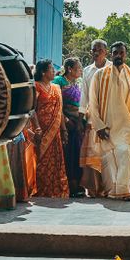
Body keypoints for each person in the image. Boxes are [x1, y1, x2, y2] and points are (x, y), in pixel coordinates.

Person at [85, 42, 130, 200]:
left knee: (124, 155)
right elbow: (92, 103)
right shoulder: (100, 75)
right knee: (109, 160)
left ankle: (123, 190)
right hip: (106, 126)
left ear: (125, 55)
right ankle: (112, 191)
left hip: (126, 126)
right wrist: (98, 126)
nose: (118, 56)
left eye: (121, 53)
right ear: (111, 54)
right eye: (115, 53)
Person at [32, 59, 69, 198]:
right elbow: (32, 110)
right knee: (42, 162)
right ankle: (41, 190)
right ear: (43, 72)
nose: (54, 71)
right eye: (51, 69)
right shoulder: (36, 86)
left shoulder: (56, 88)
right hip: (42, 132)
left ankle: (56, 191)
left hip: (55, 132)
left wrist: (64, 130)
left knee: (56, 162)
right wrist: (37, 129)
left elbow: (60, 111)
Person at [79, 39, 111, 196]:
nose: (96, 52)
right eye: (93, 50)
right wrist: (80, 117)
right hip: (92, 118)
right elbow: (84, 94)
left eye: (99, 49)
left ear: (106, 52)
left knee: (107, 153)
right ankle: (93, 189)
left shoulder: (112, 68)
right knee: (93, 153)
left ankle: (108, 187)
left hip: (109, 118)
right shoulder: (87, 71)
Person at [53, 57, 85, 197]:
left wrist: (79, 122)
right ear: (69, 69)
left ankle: (78, 184)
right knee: (68, 156)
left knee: (77, 154)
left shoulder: (77, 83)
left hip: (77, 124)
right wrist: (65, 120)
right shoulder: (58, 81)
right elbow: (55, 103)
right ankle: (69, 186)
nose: (80, 70)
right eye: (78, 68)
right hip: (65, 124)